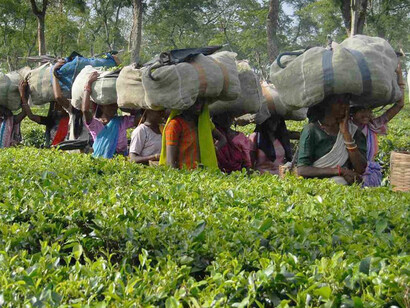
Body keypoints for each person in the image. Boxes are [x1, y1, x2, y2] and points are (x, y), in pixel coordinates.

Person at [350, 63, 406, 187]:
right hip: (350, 173)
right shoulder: (346, 127)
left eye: (368, 110)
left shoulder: (373, 125)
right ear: (352, 112)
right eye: (362, 110)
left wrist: (399, 75)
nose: (366, 114)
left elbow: (399, 105)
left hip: (370, 172)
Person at [297, 94, 367, 185]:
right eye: (339, 102)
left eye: (346, 103)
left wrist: (346, 135)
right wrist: (340, 171)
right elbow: (302, 170)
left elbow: (361, 168)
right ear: (326, 105)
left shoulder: (354, 132)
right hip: (315, 186)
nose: (344, 106)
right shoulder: (311, 130)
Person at [82, 71, 140, 158]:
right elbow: (85, 111)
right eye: (109, 106)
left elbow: (139, 118)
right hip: (101, 161)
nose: (113, 108)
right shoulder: (95, 124)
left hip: (120, 160)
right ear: (101, 106)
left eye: (115, 105)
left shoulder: (122, 121)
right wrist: (88, 84)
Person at [160, 99, 227, 169]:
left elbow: (222, 139)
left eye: (201, 101)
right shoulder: (175, 125)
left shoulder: (204, 123)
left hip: (204, 173)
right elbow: (170, 162)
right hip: (185, 175)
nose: (199, 105)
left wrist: (212, 149)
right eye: (195, 101)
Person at [20, 81, 70, 147]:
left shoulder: (74, 118)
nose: (55, 107)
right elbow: (31, 116)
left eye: (58, 104)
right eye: (55, 104)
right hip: (55, 152)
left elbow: (58, 97)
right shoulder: (52, 121)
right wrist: (23, 96)